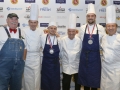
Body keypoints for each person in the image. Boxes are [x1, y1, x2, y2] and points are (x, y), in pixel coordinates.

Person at [78, 3, 106, 90]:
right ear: (86, 17)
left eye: (92, 16)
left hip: (95, 57)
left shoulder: (100, 28)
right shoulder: (82, 28)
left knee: (94, 79)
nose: (90, 17)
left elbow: (104, 42)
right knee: (85, 79)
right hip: (84, 56)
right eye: (89, 16)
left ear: (95, 17)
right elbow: (79, 42)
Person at [0, 13, 26, 90]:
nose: (14, 21)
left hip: (19, 66)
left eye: (16, 19)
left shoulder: (22, 32)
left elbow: (25, 48)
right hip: (4, 66)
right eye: (11, 19)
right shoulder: (1, 31)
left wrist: (23, 60)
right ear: (7, 20)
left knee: (16, 86)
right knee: (2, 85)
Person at [22, 4, 42, 90]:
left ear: (37, 23)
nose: (33, 24)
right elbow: (23, 46)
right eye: (31, 22)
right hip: (27, 57)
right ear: (29, 22)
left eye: (35, 22)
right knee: (27, 78)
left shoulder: (41, 31)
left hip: (37, 58)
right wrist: (24, 59)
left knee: (37, 77)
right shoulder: (23, 30)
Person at [100, 5, 120, 90]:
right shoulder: (104, 37)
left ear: (116, 26)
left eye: (113, 26)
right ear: (106, 27)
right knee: (104, 87)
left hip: (116, 70)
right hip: (105, 69)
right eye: (108, 26)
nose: (110, 28)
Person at [60, 13, 81, 90]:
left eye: (73, 31)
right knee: (66, 83)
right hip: (66, 65)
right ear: (67, 31)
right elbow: (60, 52)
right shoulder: (63, 40)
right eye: (70, 31)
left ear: (76, 31)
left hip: (77, 65)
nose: (71, 33)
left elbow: (81, 52)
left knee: (78, 84)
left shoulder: (79, 40)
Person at [41, 20, 60, 90]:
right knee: (45, 81)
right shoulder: (43, 37)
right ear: (48, 29)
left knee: (55, 81)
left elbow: (60, 51)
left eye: (55, 28)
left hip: (55, 64)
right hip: (46, 63)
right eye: (51, 28)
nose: (53, 30)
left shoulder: (59, 39)